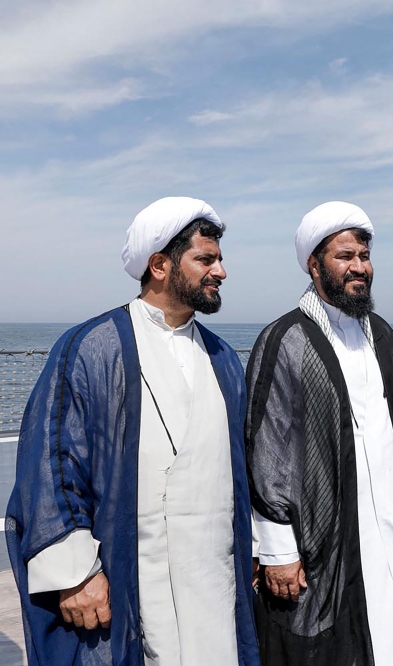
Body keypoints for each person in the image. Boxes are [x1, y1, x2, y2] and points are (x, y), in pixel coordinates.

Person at [5, 197, 259, 666]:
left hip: (214, 579)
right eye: (206, 259)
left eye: (219, 259)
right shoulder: (91, 346)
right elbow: (52, 462)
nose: (221, 271)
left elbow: (242, 469)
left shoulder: (223, 357)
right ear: (159, 265)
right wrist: (76, 574)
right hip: (129, 581)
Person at [246, 202, 393, 665]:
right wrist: (277, 550)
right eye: (345, 256)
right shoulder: (286, 339)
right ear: (314, 265)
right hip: (327, 533)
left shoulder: (381, 333)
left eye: (364, 256)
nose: (359, 267)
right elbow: (266, 448)